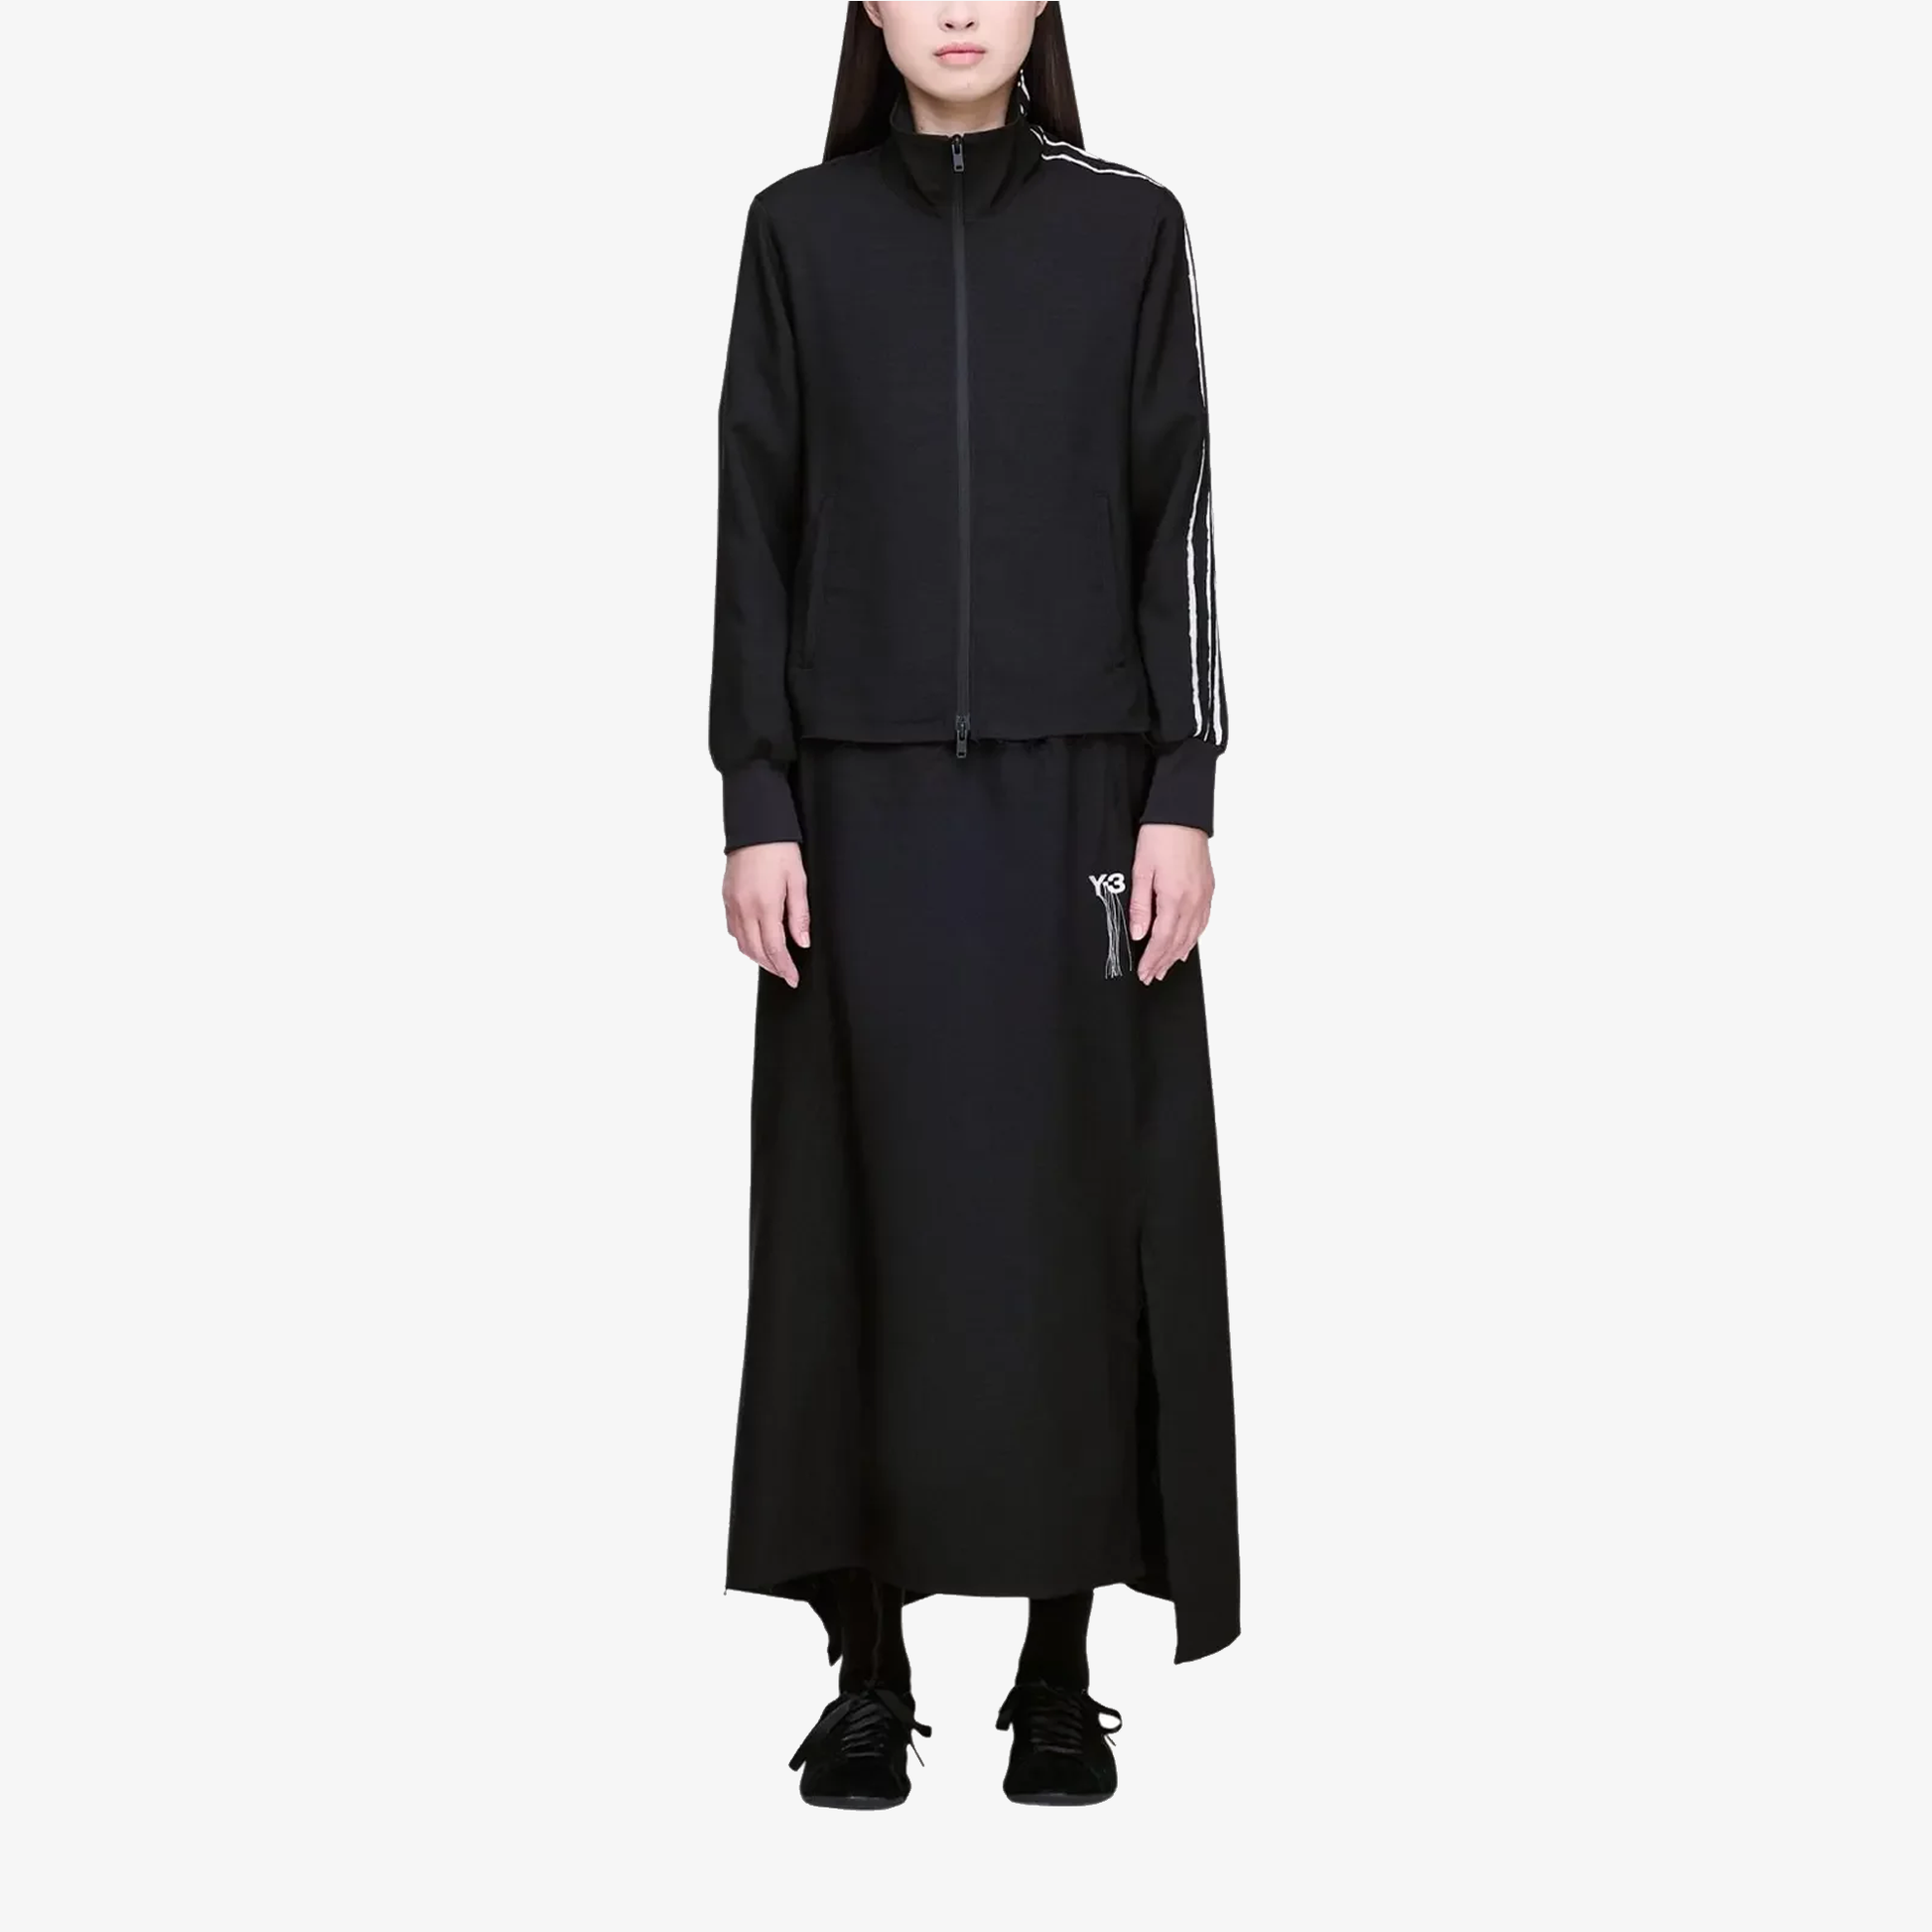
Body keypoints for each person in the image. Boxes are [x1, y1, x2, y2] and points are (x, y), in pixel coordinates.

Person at [709, 1, 1239, 1809]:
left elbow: (1176, 512)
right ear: (868, 6)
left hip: (1079, 796)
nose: (955, 6)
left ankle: (1057, 1668)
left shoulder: (1126, 228)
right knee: (856, 1224)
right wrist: (757, 796)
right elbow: (754, 518)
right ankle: (867, 1669)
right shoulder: (799, 233)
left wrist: (1181, 786)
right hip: (853, 811)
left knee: (1069, 1224)